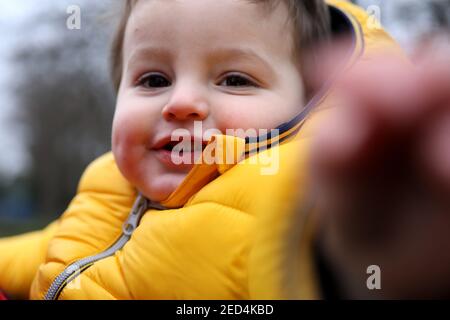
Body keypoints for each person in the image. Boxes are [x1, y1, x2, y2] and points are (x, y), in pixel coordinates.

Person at [1, 0, 447, 300]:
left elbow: (333, 260)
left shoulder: (293, 195)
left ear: (306, 100)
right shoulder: (106, 185)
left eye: (235, 79)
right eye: (154, 79)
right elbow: (42, 252)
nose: (181, 104)